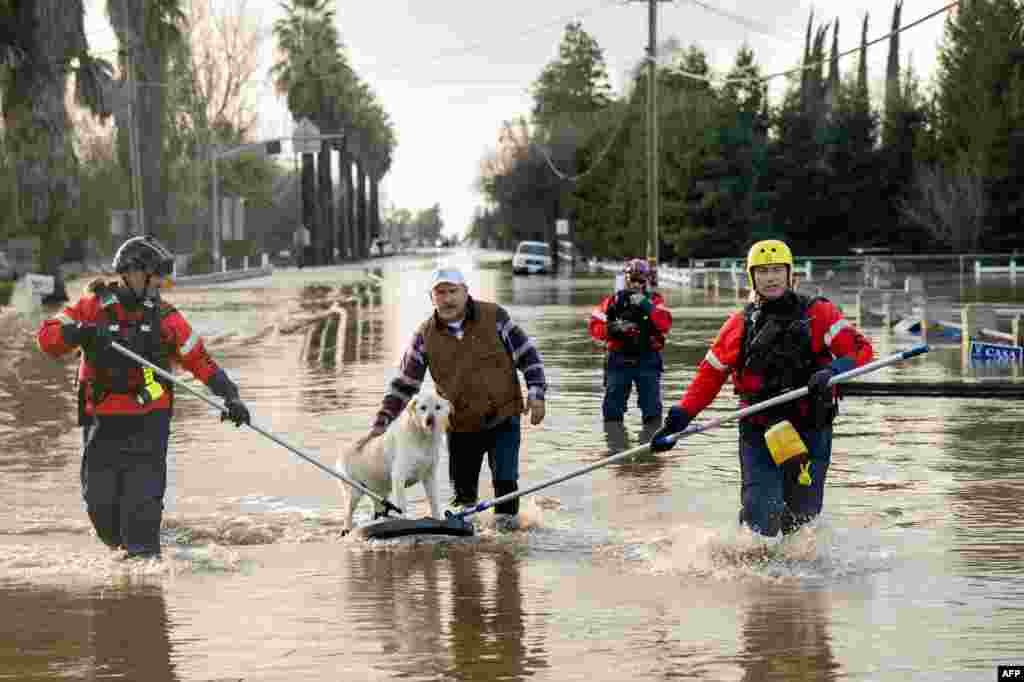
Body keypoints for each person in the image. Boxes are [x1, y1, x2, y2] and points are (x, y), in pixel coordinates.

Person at [36, 235, 251, 559]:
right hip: (101, 423)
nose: (160, 286)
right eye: (155, 278)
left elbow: (199, 359)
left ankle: (145, 580)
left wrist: (230, 396)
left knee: (141, 518)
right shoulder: (92, 307)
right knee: (102, 515)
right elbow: (47, 338)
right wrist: (80, 332)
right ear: (133, 273)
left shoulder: (166, 317)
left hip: (148, 424)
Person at [651, 239, 873, 537]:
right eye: (763, 271)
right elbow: (708, 378)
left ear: (789, 273)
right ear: (752, 277)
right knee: (760, 517)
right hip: (760, 431)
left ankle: (794, 581)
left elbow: (861, 350)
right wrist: (678, 420)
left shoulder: (820, 314)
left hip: (811, 428)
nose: (771, 278)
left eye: (777, 270)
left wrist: (834, 370)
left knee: (802, 520)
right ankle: (753, 575)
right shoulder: (738, 326)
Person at [364, 266, 547, 528]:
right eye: (440, 293)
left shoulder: (495, 316)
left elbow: (528, 355)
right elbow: (404, 385)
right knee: (463, 496)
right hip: (460, 425)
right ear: (432, 298)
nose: (447, 298)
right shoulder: (424, 336)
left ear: (465, 293)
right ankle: (465, 548)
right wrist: (380, 424)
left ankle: (508, 550)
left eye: (453, 291)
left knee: (506, 483)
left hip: (504, 416)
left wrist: (537, 393)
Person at [588, 258, 673, 426]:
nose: (636, 284)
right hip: (619, 359)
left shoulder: (655, 301)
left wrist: (646, 305)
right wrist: (613, 329)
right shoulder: (613, 301)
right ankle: (614, 445)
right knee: (612, 411)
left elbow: (665, 324)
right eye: (632, 279)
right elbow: (595, 326)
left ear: (647, 281)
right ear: (626, 279)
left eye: (640, 280)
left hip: (647, 359)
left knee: (652, 411)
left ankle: (651, 443)